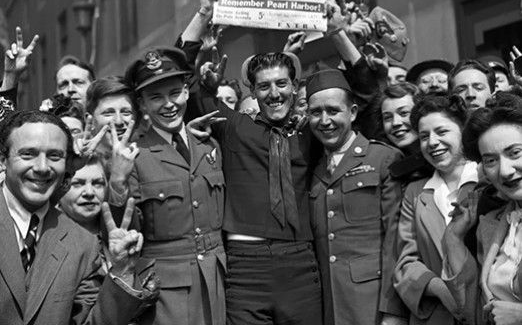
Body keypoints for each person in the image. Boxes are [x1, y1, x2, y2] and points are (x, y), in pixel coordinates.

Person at [195, 50, 323, 325]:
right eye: (264, 86)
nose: (274, 93)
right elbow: (192, 95)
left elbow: (361, 101)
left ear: (295, 86)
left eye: (281, 83)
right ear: (252, 91)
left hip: (300, 262)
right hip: (245, 267)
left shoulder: (311, 134)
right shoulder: (235, 128)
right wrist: (209, 84)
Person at [110, 46, 226, 325]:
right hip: (167, 292)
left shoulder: (208, 144)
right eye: (155, 97)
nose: (168, 104)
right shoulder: (134, 156)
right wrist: (116, 181)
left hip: (216, 281)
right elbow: (125, 230)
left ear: (187, 91)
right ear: (142, 105)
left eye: (174, 93)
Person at [0, 109, 146, 324]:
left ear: (66, 164)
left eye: (54, 156)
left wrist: (123, 271)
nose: (42, 167)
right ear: (3, 160)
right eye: (28, 154)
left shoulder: (82, 246)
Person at [306, 69, 406, 325]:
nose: (324, 120)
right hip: (329, 306)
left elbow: (396, 240)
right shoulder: (313, 169)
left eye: (333, 110)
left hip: (373, 304)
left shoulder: (382, 158)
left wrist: (393, 310)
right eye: (315, 113)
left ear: (352, 112)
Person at [393, 94, 479, 324]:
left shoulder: (487, 180)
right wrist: (440, 288)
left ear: (463, 130)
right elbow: (405, 263)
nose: (431, 142)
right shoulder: (415, 193)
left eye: (441, 132)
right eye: (423, 136)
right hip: (438, 314)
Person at [442, 92, 522, 324]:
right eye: (491, 160)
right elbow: (472, 311)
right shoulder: (493, 223)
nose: (505, 170)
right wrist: (454, 237)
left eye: (514, 153)